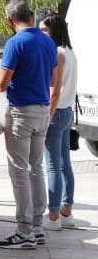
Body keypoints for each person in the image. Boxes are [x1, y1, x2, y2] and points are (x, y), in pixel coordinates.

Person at [0, 0, 57, 249]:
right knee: (36, 168)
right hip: (43, 111)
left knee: (19, 171)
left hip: (21, 113)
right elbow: (52, 80)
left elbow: (0, 84)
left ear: (10, 20)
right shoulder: (48, 42)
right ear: (31, 15)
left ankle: (24, 231)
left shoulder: (15, 43)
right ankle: (38, 228)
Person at [39, 14, 78, 231]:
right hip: (67, 113)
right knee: (64, 164)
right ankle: (66, 211)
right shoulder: (71, 52)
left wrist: (47, 116)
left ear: (54, 30)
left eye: (44, 30)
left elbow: (55, 91)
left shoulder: (58, 53)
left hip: (56, 114)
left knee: (53, 165)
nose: (41, 34)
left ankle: (53, 215)